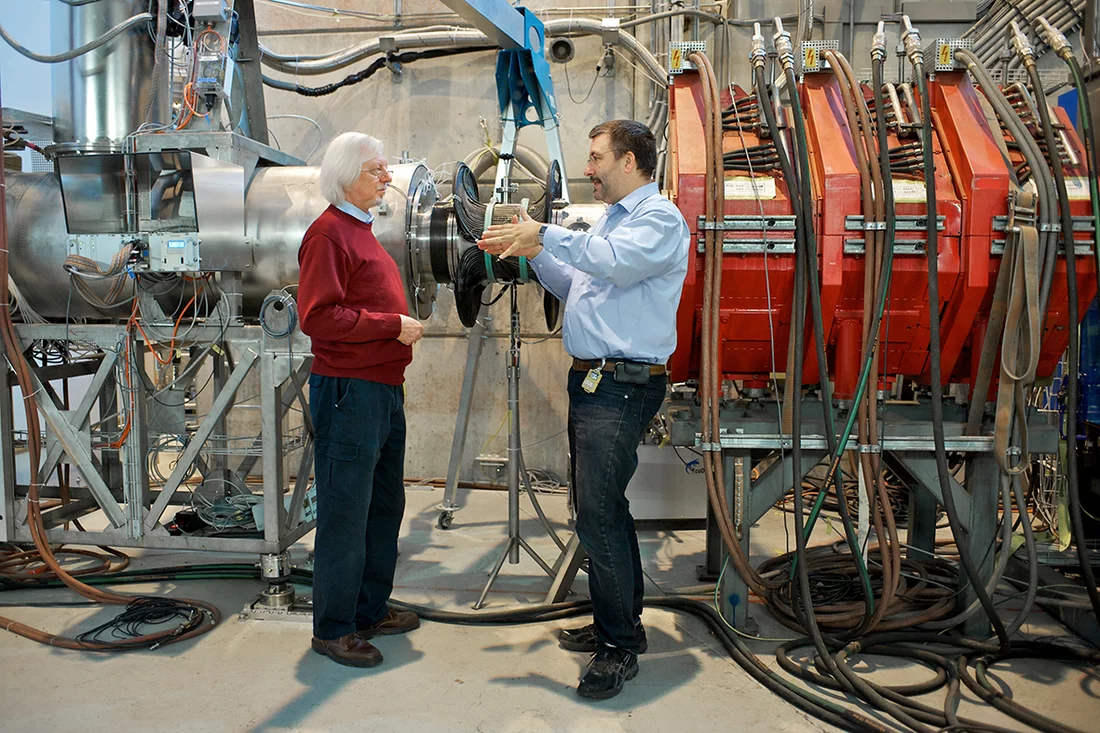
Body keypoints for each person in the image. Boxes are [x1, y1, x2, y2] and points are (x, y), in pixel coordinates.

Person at [478, 120, 690, 698]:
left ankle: (618, 646)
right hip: (595, 385)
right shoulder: (615, 224)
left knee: (596, 512)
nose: (589, 168)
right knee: (599, 509)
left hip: (621, 386)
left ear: (628, 160)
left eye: (596, 158)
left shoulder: (658, 220)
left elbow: (612, 263)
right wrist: (525, 253)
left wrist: (544, 233)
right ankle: (617, 624)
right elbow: (579, 281)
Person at [297, 132, 424, 668]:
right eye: (377, 170)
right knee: (346, 511)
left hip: (382, 390)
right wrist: (391, 324)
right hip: (350, 392)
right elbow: (318, 317)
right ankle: (333, 628)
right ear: (346, 174)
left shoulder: (361, 232)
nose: (387, 178)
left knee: (383, 504)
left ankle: (368, 608)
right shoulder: (328, 235)